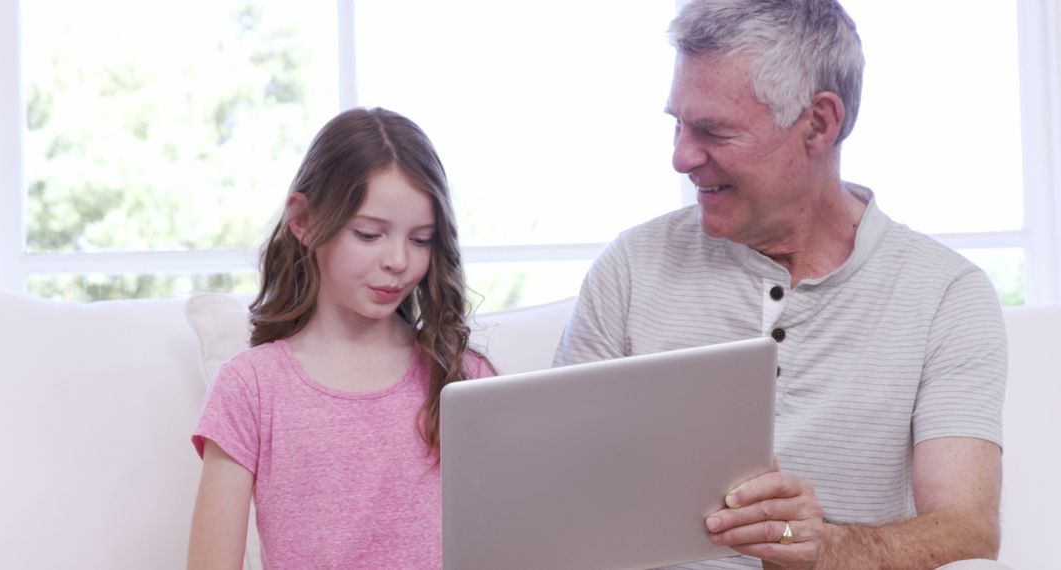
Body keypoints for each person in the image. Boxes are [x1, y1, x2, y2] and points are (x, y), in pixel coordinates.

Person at [554, 1, 1008, 569]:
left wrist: (820, 546)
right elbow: (558, 494)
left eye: (713, 130)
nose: (680, 156)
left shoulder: (945, 294)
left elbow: (967, 535)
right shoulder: (631, 266)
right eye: (677, 123)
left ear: (819, 123)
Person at [186, 107, 495, 569]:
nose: (397, 260)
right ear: (304, 221)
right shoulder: (251, 388)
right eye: (369, 234)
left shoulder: (465, 377)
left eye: (421, 239)